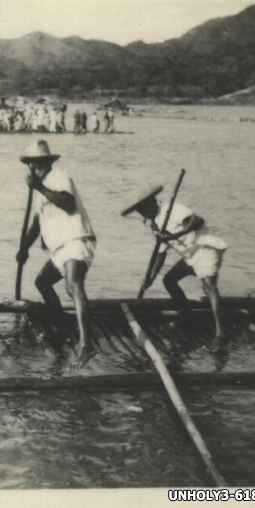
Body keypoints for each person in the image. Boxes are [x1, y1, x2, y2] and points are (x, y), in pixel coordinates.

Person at [17, 139, 97, 369]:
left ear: (45, 162)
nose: (33, 169)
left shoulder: (58, 177)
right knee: (42, 282)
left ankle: (86, 345)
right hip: (60, 247)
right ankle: (63, 329)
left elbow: (68, 203)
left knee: (73, 286)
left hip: (76, 240)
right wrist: (23, 248)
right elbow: (36, 223)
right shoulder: (42, 187)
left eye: (36, 164)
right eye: (30, 164)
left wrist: (39, 187)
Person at [123, 185, 228, 352]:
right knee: (169, 280)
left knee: (208, 286)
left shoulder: (171, 209)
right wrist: (150, 278)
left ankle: (221, 335)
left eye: (144, 208)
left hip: (205, 247)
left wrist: (175, 235)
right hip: (190, 255)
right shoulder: (155, 225)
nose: (143, 214)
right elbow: (160, 254)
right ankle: (188, 317)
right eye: (140, 212)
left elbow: (196, 220)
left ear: (152, 203)